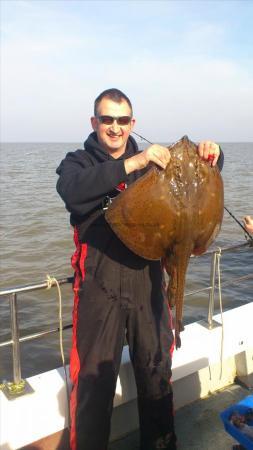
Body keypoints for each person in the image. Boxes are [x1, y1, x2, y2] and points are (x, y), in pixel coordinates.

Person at [56, 88, 224, 450]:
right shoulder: (79, 162)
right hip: (98, 292)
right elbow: (70, 190)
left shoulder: (154, 163)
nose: (115, 128)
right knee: (92, 386)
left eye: (122, 120)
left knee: (156, 375)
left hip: (148, 283)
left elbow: (191, 187)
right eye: (107, 119)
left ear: (133, 123)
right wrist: (130, 164)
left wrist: (213, 155)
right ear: (94, 122)